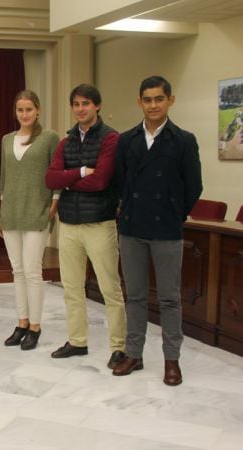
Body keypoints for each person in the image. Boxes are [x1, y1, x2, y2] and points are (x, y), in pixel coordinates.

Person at [111, 76, 202, 386]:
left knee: (169, 299)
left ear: (170, 101)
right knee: (134, 296)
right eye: (147, 100)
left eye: (159, 99)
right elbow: (119, 183)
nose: (153, 105)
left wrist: (175, 214)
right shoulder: (127, 140)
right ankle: (133, 354)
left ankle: (171, 360)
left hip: (167, 230)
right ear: (140, 103)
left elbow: (194, 186)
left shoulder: (183, 140)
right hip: (132, 227)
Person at [45, 84, 127, 368]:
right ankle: (77, 341)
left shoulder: (110, 139)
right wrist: (79, 172)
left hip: (99, 223)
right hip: (68, 223)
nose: (81, 109)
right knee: (72, 288)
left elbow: (102, 180)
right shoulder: (65, 142)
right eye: (76, 104)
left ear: (97, 106)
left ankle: (118, 347)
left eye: (86, 104)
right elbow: (50, 179)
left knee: (109, 289)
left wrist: (67, 179)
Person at [0, 90, 60, 351]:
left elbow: (56, 176)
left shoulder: (49, 138)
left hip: (37, 212)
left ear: (38, 111)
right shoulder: (6, 139)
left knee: (33, 272)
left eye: (29, 110)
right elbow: (3, 180)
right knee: (17, 271)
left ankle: (35, 326)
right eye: (20, 110)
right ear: (16, 112)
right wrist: (2, 214)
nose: (25, 114)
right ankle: (21, 322)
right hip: (11, 213)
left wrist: (53, 207)